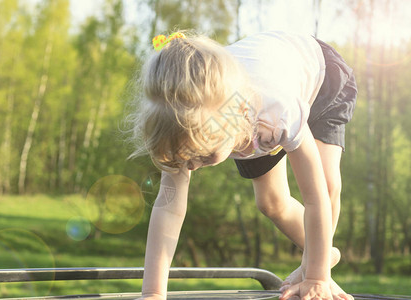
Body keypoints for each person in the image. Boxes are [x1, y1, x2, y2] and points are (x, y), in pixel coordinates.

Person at [126, 30, 357, 300]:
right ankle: (323, 252)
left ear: (234, 125)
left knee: (326, 185)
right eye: (186, 159)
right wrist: (152, 293)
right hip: (251, 105)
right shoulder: (182, 125)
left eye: (202, 156)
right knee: (271, 202)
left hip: (320, 75)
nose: (191, 166)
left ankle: (318, 264)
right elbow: (169, 211)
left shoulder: (277, 110)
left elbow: (316, 197)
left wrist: (316, 278)